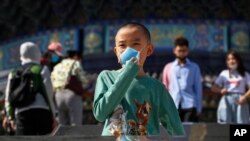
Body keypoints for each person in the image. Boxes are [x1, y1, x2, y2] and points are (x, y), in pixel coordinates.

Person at [93, 23, 185, 137]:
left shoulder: (157, 87)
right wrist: (128, 73)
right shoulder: (106, 77)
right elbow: (100, 114)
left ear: (149, 50)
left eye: (135, 44)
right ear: (116, 52)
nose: (128, 50)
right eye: (122, 45)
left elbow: (176, 128)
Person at [3, 42, 57, 135]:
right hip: (42, 112)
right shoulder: (41, 69)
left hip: (21, 114)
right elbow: (49, 94)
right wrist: (53, 115)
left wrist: (10, 117)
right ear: (37, 53)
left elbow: (8, 98)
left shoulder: (14, 73)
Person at [162, 37, 202, 122]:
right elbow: (165, 89)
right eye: (179, 51)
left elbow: (198, 88)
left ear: (188, 51)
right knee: (176, 133)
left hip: (190, 104)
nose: (182, 53)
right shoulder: (168, 67)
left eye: (184, 51)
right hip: (174, 105)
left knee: (189, 132)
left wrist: (199, 108)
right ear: (174, 51)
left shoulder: (194, 67)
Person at [51, 50, 89, 126]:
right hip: (72, 95)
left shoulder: (57, 66)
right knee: (75, 125)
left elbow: (52, 81)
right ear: (76, 57)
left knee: (62, 125)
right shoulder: (75, 63)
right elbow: (84, 80)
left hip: (58, 96)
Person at [211, 50, 250, 124]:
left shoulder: (245, 74)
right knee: (225, 121)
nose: (231, 61)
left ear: (238, 60)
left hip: (240, 100)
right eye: (229, 59)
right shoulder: (224, 73)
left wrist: (245, 97)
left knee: (241, 122)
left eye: (233, 59)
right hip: (226, 99)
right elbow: (213, 88)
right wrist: (220, 90)